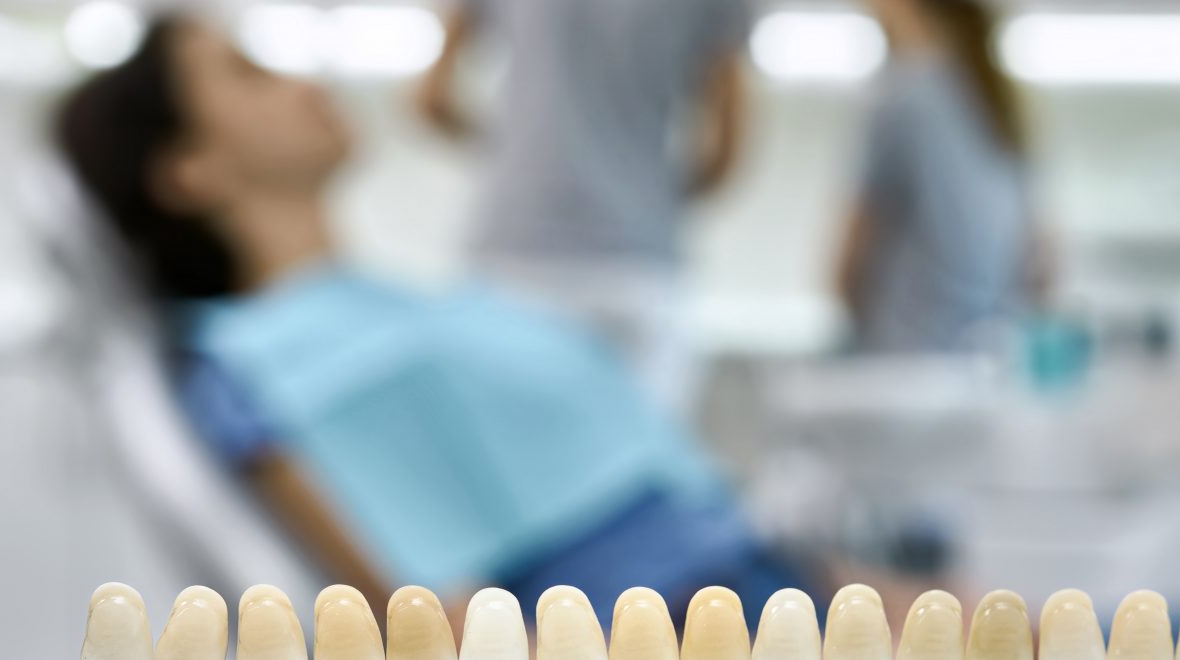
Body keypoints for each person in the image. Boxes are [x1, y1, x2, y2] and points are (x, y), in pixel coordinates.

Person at [55, 15, 802, 627]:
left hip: (763, 591)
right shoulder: (245, 366)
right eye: (253, 75)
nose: (305, 83)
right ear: (191, 170)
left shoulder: (417, 307)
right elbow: (426, 631)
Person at [416, 0, 751, 414]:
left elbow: (430, 100)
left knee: (507, 458)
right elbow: (725, 151)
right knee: (639, 461)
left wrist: (511, 153)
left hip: (511, 254)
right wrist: (648, 196)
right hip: (634, 267)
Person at [836, 0, 1053, 354]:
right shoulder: (1005, 103)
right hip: (989, 366)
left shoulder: (899, 99)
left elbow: (846, 271)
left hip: (902, 367)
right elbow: (1043, 269)